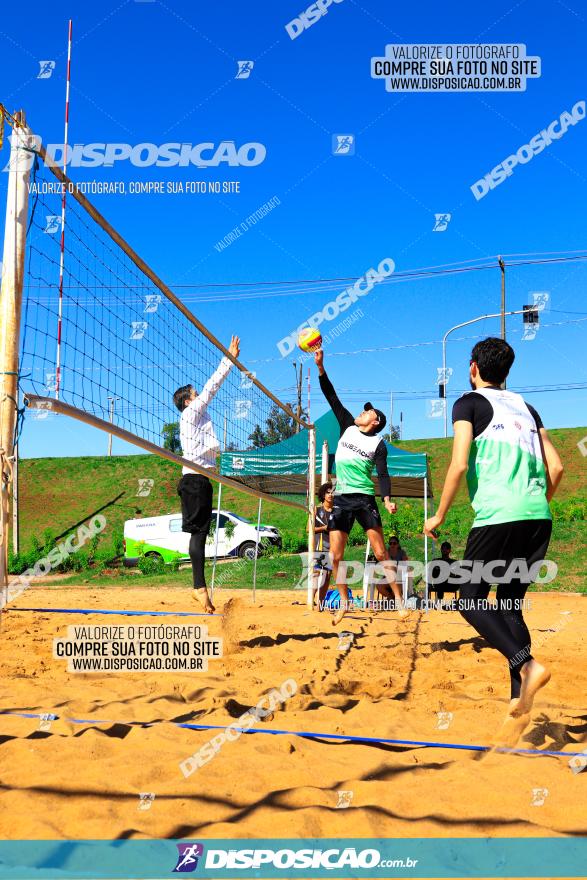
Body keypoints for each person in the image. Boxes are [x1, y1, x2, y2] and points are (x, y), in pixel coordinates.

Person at [424, 337, 563, 744]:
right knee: (509, 606)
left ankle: (527, 665)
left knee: (467, 598)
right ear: (507, 372)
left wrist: (440, 514)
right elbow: (555, 467)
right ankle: (518, 706)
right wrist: (535, 502)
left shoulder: (467, 402)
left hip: (498, 516)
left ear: (473, 368)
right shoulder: (527, 407)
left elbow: (460, 462)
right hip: (538, 515)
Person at [314, 347, 407, 625]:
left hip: (365, 499)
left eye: (367, 411)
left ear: (375, 421)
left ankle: (400, 602)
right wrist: (320, 367)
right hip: (342, 499)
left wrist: (387, 498)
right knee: (336, 555)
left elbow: (383, 474)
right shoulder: (347, 426)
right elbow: (331, 396)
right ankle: (343, 601)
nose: (362, 411)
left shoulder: (378, 444)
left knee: (380, 553)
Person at [174, 335, 240, 614]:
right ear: (188, 401)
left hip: (199, 479)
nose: (199, 395)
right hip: (194, 481)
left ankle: (200, 589)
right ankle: (199, 588)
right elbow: (211, 388)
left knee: (200, 533)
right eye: (195, 393)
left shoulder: (195, 418)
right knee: (199, 534)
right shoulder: (190, 414)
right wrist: (229, 359)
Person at [311, 481, 334, 610]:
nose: (330, 495)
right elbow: (309, 529)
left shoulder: (336, 511)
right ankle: (310, 599)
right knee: (317, 573)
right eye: (327, 492)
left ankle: (320, 603)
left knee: (327, 576)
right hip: (320, 546)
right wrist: (324, 528)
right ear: (323, 495)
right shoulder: (317, 509)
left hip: (332, 547)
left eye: (332, 493)